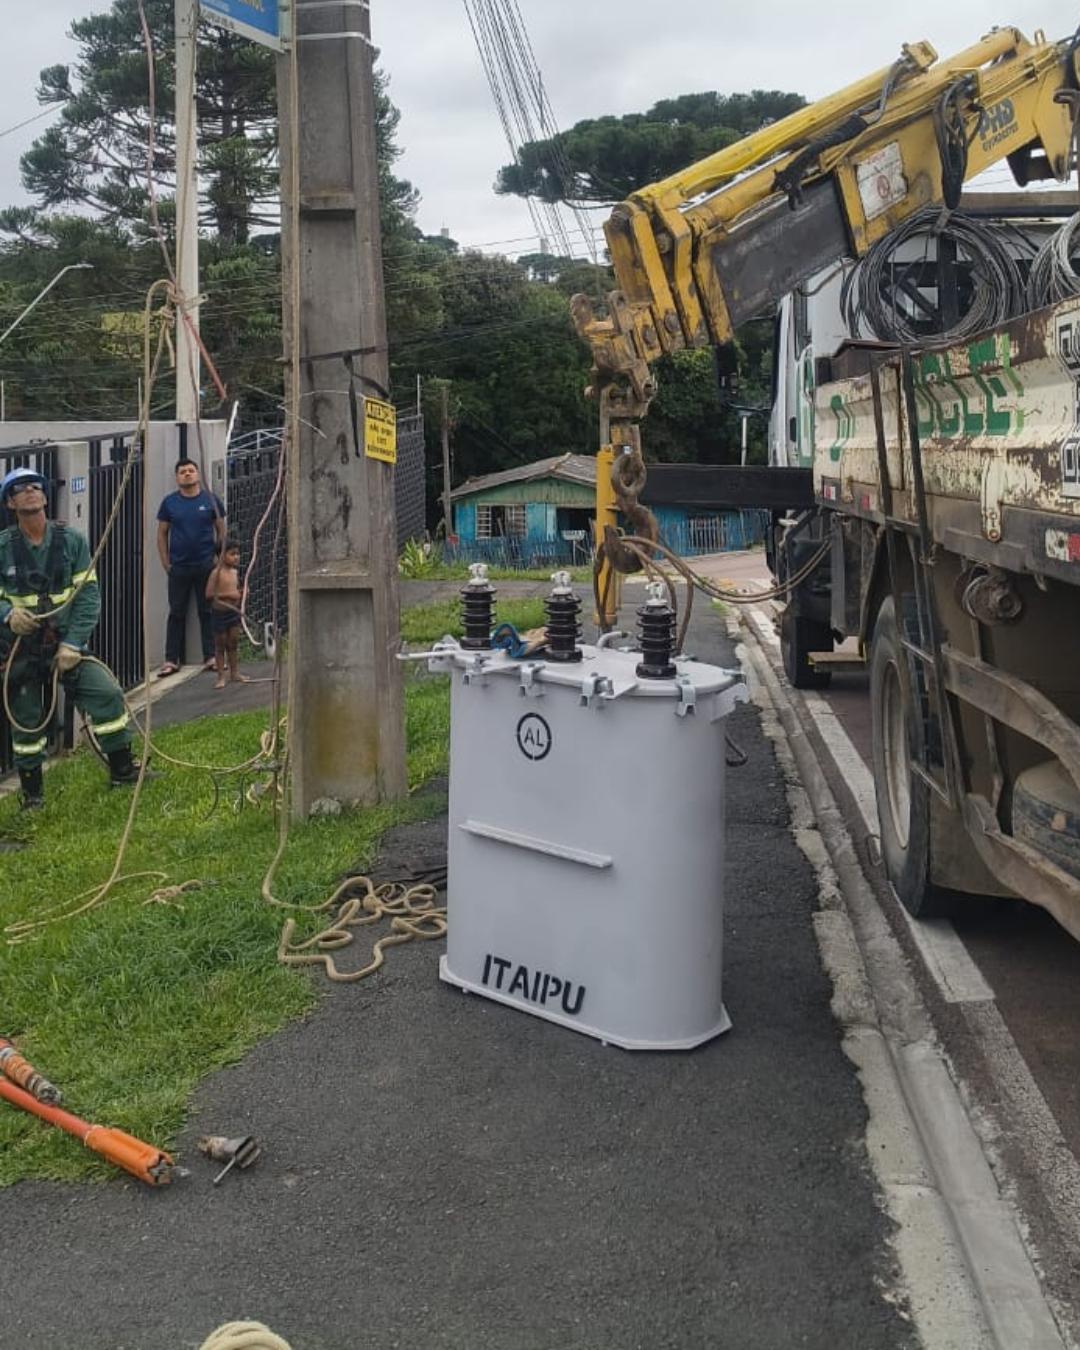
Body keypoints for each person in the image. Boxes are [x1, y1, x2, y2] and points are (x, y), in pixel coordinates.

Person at [0, 467, 147, 808]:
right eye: (20, 488)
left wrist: (73, 643)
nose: (30, 491)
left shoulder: (71, 542)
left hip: (65, 642)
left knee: (108, 694)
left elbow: (88, 596)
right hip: (20, 650)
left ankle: (122, 771)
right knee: (26, 720)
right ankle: (32, 796)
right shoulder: (4, 548)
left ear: (46, 497)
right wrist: (8, 614)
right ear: (10, 502)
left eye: (36, 486)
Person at [156, 458, 225, 677]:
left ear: (197, 474)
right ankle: (170, 659)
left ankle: (211, 656)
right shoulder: (170, 503)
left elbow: (221, 529)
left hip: (206, 565)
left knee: (207, 611)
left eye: (191, 470)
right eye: (183, 471)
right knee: (176, 612)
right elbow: (162, 533)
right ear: (177, 477)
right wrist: (166, 562)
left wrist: (218, 559)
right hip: (179, 567)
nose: (187, 474)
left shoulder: (210, 500)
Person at [205, 539, 249, 690]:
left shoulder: (235, 573)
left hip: (233, 613)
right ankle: (221, 677)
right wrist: (230, 594)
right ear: (221, 555)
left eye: (238, 554)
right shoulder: (216, 573)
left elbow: (237, 591)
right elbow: (209, 594)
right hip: (219, 614)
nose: (237, 557)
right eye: (232, 554)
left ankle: (235, 673)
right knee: (220, 645)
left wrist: (241, 593)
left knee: (233, 643)